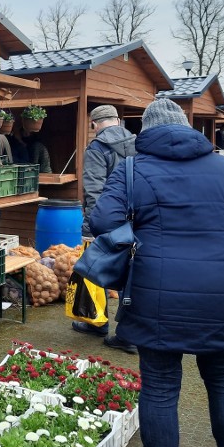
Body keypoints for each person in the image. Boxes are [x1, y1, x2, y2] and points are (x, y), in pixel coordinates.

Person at [91, 98, 224, 447]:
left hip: (155, 294)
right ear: (187, 127)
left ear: (145, 131)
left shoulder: (133, 169)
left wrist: (141, 228)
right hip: (221, 292)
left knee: (161, 389)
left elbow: (101, 222)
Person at [73, 104, 137, 353]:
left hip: (107, 218)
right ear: (118, 120)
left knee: (96, 267)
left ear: (95, 124)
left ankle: (97, 322)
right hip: (135, 218)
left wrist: (91, 223)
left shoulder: (98, 148)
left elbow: (94, 187)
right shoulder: (137, 143)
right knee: (130, 274)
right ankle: (129, 333)